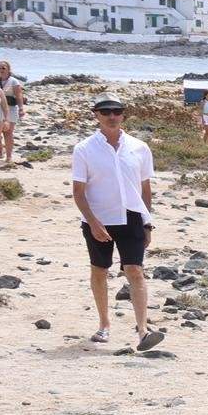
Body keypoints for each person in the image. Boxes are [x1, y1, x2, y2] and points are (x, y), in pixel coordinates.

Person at [71, 96, 163, 352]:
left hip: (131, 217)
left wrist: (147, 222)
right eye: (106, 112)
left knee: (135, 270)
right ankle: (104, 324)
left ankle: (143, 330)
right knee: (100, 270)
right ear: (96, 115)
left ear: (123, 114)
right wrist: (92, 222)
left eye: (117, 111)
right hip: (98, 218)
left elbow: (145, 188)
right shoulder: (84, 149)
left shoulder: (139, 147)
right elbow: (78, 192)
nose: (112, 116)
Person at [0, 60, 23, 167]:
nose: (1, 70)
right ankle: (0, 151)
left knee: (8, 133)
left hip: (11, 109)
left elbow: (19, 96)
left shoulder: (13, 81)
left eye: (3, 68)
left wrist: (21, 108)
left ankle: (9, 156)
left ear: (8, 69)